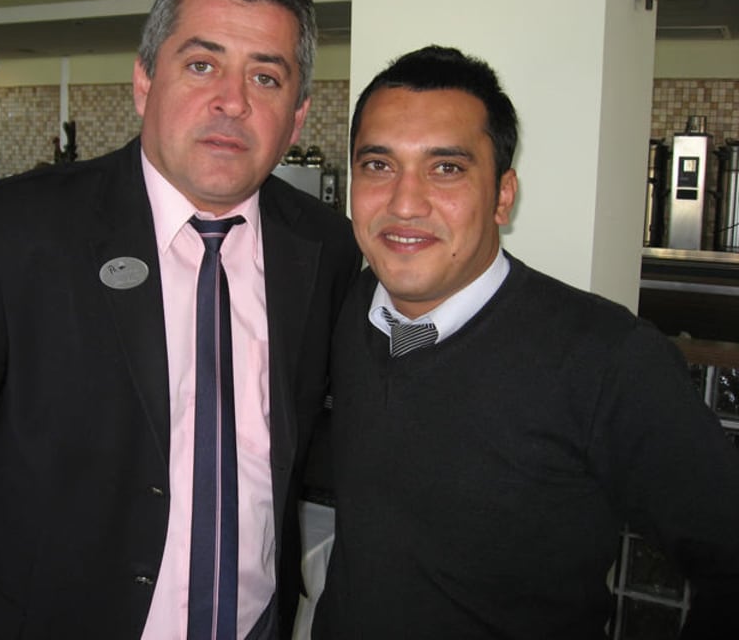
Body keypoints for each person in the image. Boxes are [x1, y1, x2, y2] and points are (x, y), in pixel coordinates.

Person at [0, 0, 360, 639]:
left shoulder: (325, 246)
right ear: (143, 81)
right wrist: (36, 549)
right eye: (202, 64)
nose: (233, 101)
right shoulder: (13, 232)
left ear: (298, 116)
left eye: (266, 76)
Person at [313, 45, 739, 639]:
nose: (404, 203)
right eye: (379, 165)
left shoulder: (607, 359)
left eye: (446, 168)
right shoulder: (342, 308)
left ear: (503, 196)